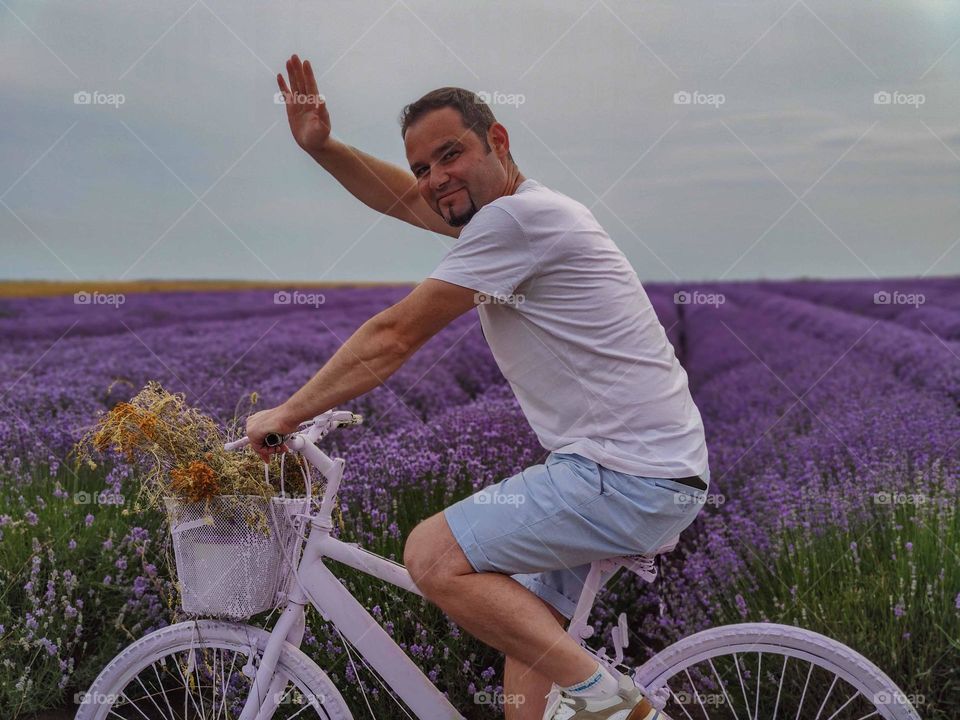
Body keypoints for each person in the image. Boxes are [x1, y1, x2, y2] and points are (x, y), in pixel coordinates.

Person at [245, 53, 711, 720]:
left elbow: (394, 335)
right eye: (423, 167)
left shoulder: (514, 221)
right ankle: (588, 694)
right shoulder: (517, 214)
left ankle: (616, 705)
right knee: (527, 632)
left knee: (431, 555)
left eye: (450, 154)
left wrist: (287, 413)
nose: (436, 179)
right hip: (632, 470)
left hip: (623, 475)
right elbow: (405, 200)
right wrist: (322, 148)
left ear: (498, 140)